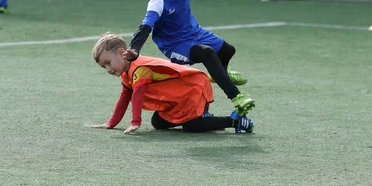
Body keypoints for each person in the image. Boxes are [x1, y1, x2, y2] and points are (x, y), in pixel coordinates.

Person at [123, 0, 255, 116]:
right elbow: (145, 26)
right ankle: (237, 98)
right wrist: (134, 49)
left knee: (228, 50)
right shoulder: (157, 2)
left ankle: (220, 73)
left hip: (194, 32)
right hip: (176, 45)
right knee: (207, 53)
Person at [92, 33, 254, 134]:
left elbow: (137, 96)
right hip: (178, 99)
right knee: (158, 122)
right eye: (103, 67)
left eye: (108, 63)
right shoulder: (127, 73)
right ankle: (203, 118)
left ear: (122, 53)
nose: (107, 69)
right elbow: (124, 97)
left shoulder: (139, 68)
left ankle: (236, 122)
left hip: (193, 88)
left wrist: (136, 122)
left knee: (192, 127)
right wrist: (111, 123)